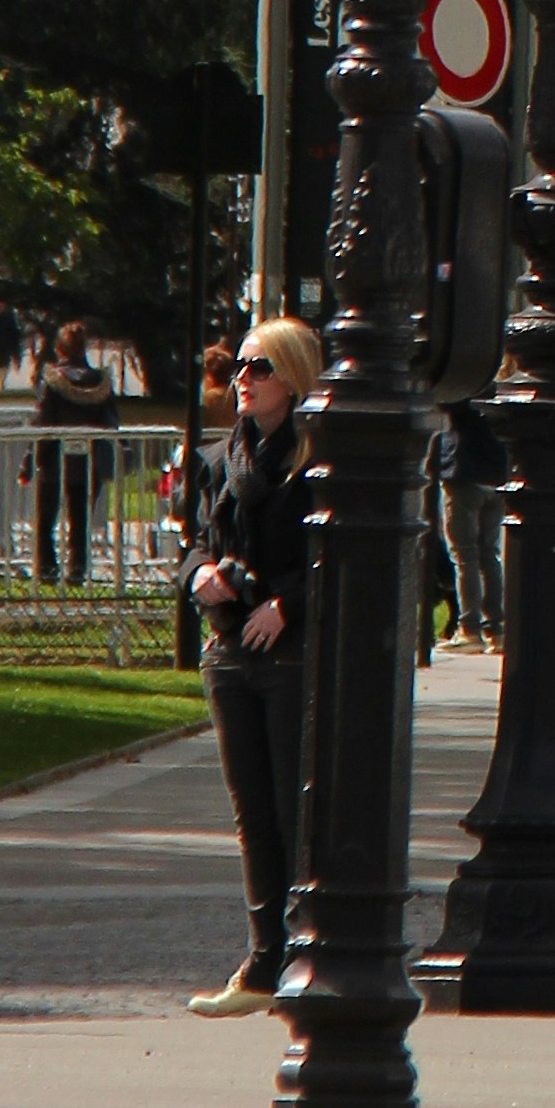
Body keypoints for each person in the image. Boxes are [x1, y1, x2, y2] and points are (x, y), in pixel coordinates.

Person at [185, 318, 311, 1009]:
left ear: (292, 378)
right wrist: (201, 575)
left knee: (293, 805)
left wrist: (285, 604)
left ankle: (301, 949)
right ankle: (263, 960)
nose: (243, 378)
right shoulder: (219, 458)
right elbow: (195, 541)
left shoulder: (315, 459)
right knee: (251, 813)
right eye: (239, 366)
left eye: (259, 367)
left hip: (287, 653)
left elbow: (330, 556)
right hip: (229, 649)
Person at [35, 316, 120, 584]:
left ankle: (47, 569)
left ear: (59, 350)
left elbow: (44, 423)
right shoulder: (100, 383)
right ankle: (77, 569)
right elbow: (112, 420)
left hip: (54, 461)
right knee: (80, 521)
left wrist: (33, 458)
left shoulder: (52, 381)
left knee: (45, 520)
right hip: (89, 461)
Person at [441, 385, 510, 649]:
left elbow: (441, 399)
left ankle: (469, 628)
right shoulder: (500, 389)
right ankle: (496, 627)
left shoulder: (463, 387)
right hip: (495, 475)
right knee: (489, 553)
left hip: (464, 473)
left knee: (464, 555)